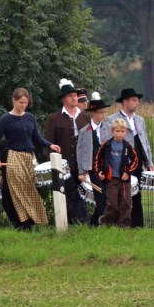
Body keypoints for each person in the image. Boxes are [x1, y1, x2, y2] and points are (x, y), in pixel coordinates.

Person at [0, 88, 60, 229]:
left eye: (26, 103)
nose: (23, 105)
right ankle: (21, 222)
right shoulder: (5, 119)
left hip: (29, 157)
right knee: (17, 189)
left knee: (31, 188)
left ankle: (32, 221)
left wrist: (50, 145)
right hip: (13, 157)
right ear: (14, 101)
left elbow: (37, 138)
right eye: (21, 102)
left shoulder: (30, 117)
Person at [102, 88, 153, 227]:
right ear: (125, 102)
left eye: (138, 100)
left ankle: (137, 225)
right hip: (119, 164)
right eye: (134, 100)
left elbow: (145, 142)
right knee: (118, 196)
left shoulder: (140, 120)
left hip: (137, 163)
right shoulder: (111, 120)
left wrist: (149, 162)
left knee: (136, 195)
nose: (137, 103)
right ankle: (115, 224)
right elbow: (105, 143)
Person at [44, 79, 90, 225]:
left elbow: (90, 142)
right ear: (63, 99)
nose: (74, 98)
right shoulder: (54, 119)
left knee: (84, 194)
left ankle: (83, 222)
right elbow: (49, 144)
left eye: (75, 95)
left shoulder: (84, 117)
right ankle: (75, 223)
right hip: (64, 164)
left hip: (82, 164)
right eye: (70, 96)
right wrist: (53, 164)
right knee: (69, 195)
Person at [93, 118, 139, 227]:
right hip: (111, 179)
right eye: (117, 131)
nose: (120, 134)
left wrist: (128, 172)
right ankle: (105, 222)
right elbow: (97, 158)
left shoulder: (127, 146)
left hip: (124, 180)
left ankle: (124, 227)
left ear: (126, 133)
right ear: (112, 131)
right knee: (112, 204)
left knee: (126, 203)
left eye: (122, 131)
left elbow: (135, 160)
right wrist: (99, 171)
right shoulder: (106, 145)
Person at [77, 92, 109, 226]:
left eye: (104, 112)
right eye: (101, 112)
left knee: (108, 195)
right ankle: (104, 222)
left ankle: (93, 223)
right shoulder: (85, 131)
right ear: (93, 113)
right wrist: (81, 172)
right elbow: (80, 152)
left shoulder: (108, 128)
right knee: (101, 195)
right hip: (93, 168)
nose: (103, 115)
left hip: (107, 167)